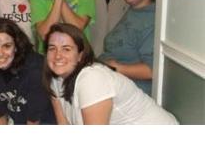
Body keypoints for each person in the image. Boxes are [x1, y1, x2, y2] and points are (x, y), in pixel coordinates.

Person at [43, 23, 178, 125]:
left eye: (66, 49)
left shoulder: (92, 78)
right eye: (52, 48)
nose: (58, 56)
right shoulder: (55, 79)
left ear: (80, 55)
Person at [0, 18, 55, 125]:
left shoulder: (35, 68)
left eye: (7, 46)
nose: (0, 53)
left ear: (16, 47)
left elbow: (33, 121)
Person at [98, 0, 156, 95]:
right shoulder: (133, 11)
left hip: (133, 97)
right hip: (112, 87)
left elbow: (152, 70)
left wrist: (115, 68)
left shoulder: (151, 19)